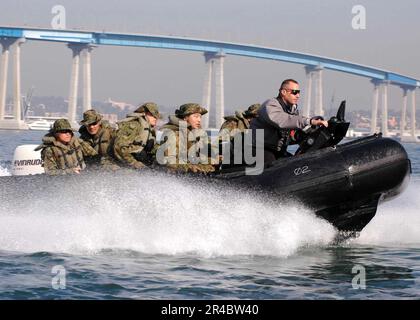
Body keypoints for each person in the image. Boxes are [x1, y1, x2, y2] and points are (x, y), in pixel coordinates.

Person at [250, 79, 328, 163]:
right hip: (260, 149)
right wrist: (310, 121)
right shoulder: (271, 105)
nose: (298, 95)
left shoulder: (292, 110)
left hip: (276, 150)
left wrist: (308, 133)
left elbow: (291, 134)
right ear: (283, 92)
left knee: (296, 163)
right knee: (274, 168)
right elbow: (283, 121)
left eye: (299, 92)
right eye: (294, 92)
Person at [158, 103, 217, 173]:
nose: (199, 120)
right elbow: (171, 164)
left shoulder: (199, 134)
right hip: (178, 176)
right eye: (196, 116)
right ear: (185, 118)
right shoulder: (173, 134)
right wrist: (193, 168)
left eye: (200, 117)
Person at [113, 102, 161, 169]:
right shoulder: (135, 125)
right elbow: (119, 148)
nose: (155, 119)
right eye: (152, 115)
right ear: (144, 114)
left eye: (156, 116)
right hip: (121, 164)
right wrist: (134, 163)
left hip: (138, 161)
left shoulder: (150, 130)